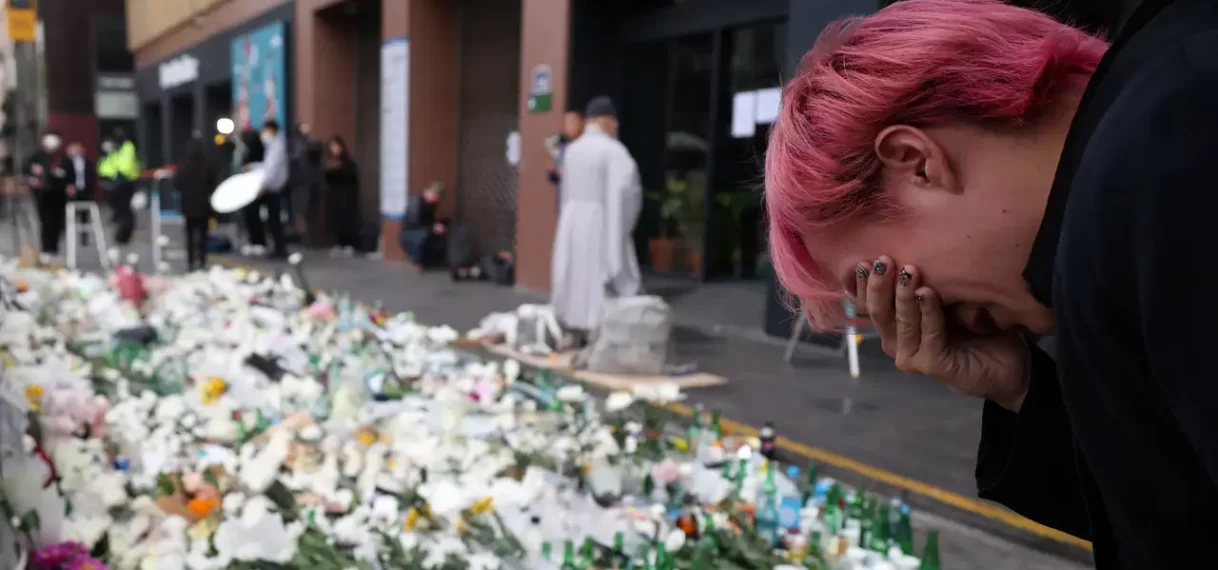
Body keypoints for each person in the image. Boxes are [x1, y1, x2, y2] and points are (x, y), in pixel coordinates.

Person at [764, 0, 1218, 567]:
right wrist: (1019, 387)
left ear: (915, 162)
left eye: (878, 278)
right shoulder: (1158, 121)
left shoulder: (1165, 160)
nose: (918, 315)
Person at [550, 96, 641, 341]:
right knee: (600, 274)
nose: (616, 127)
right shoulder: (613, 151)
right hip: (601, 221)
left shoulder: (573, 150)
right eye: (614, 122)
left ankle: (574, 326)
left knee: (575, 274)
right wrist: (625, 224)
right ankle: (602, 331)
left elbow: (564, 190)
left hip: (572, 221)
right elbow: (626, 191)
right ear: (606, 121)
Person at [25, 132, 74, 261]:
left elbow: (70, 174)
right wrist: (34, 174)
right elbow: (27, 168)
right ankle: (46, 249)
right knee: (46, 222)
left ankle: (54, 248)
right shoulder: (37, 156)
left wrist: (69, 184)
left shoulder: (62, 157)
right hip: (43, 194)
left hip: (59, 194)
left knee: (58, 223)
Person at [175, 138, 217, 272]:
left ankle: (191, 263)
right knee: (203, 235)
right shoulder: (207, 165)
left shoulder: (183, 166)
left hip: (188, 205)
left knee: (189, 235)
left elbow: (177, 184)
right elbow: (212, 184)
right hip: (203, 205)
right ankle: (202, 261)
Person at [97, 130, 141, 245]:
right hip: (116, 182)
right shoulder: (114, 151)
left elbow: (124, 166)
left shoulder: (127, 148)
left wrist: (117, 176)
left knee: (124, 208)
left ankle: (125, 234)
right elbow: (107, 166)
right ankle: (121, 231)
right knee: (118, 206)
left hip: (125, 181)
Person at [256, 119, 289, 259]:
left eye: (266, 130)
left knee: (274, 221)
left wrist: (263, 186)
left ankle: (279, 249)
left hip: (273, 189)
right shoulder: (275, 146)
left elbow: (271, 170)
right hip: (273, 188)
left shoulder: (276, 147)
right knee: (273, 220)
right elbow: (266, 167)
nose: (264, 133)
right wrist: (253, 167)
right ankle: (278, 248)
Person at [322, 136, 360, 256]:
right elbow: (327, 179)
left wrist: (341, 169)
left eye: (337, 146)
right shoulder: (329, 162)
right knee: (335, 221)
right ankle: (337, 243)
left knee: (347, 221)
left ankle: (349, 244)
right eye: (333, 146)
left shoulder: (348, 162)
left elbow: (353, 177)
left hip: (347, 196)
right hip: (334, 196)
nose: (335, 149)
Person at [545, 109, 585, 212]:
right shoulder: (563, 149)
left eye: (572, 121)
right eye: (566, 122)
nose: (569, 126)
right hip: (564, 206)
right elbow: (554, 179)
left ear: (582, 123)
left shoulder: (588, 147)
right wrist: (552, 172)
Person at [398, 182, 444, 268]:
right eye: (434, 195)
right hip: (410, 231)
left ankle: (429, 259)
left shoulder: (431, 204)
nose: (436, 198)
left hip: (421, 228)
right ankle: (416, 259)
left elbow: (430, 219)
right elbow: (414, 221)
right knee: (422, 235)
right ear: (427, 192)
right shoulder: (416, 201)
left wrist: (435, 225)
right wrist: (432, 227)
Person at [291, 121, 323, 238]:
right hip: (299, 182)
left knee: (309, 210)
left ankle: (309, 235)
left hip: (309, 182)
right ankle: (301, 234)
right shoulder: (296, 143)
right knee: (299, 210)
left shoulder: (311, 143)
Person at [238, 127, 266, 255]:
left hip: (254, 187)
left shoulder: (255, 151)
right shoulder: (251, 150)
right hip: (249, 187)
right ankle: (255, 241)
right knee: (251, 216)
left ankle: (258, 242)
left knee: (253, 215)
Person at [65, 141, 96, 246]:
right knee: (70, 214)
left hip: (85, 191)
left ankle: (84, 238)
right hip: (73, 191)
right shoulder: (67, 163)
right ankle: (69, 236)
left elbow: (92, 177)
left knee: (85, 215)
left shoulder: (88, 162)